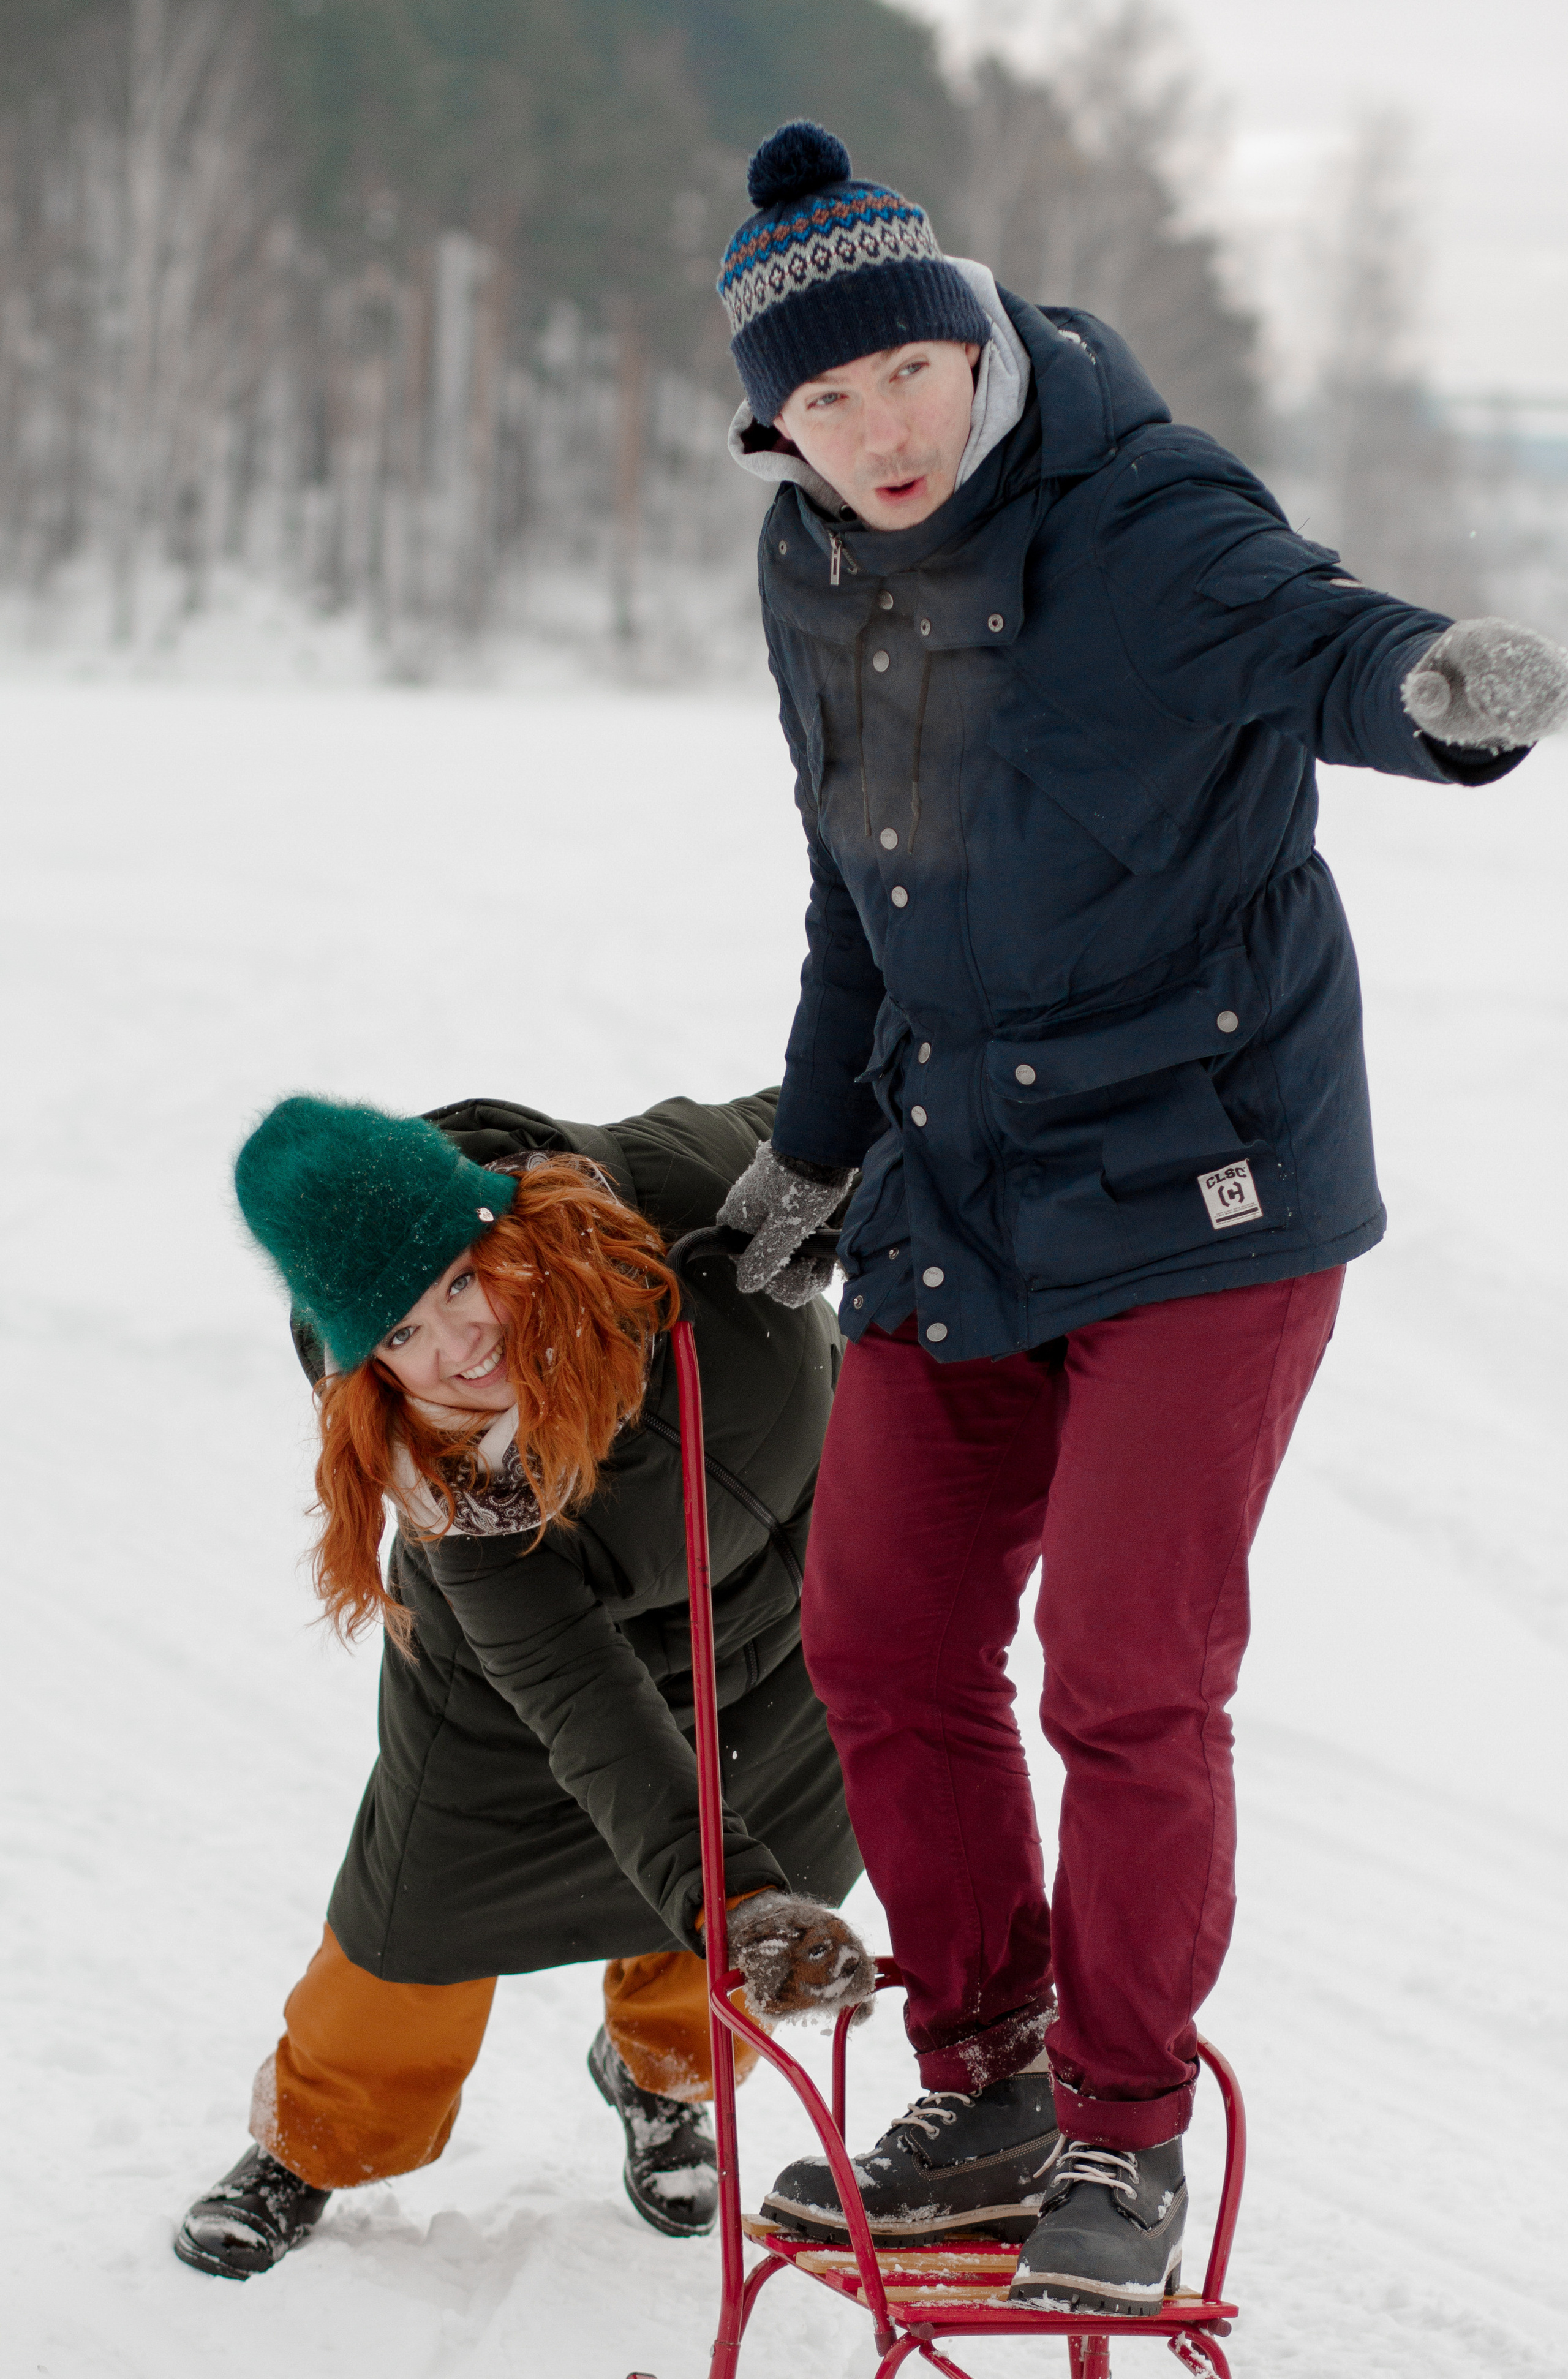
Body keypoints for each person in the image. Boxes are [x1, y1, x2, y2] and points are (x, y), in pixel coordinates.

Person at [709, 121, 1568, 2313]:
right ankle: (981, 2068)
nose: (878, 428)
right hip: (962, 1173)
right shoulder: (818, 570)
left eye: (903, 369)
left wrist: (1444, 697)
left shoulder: (1150, 514)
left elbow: (1325, 642)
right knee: (881, 1633)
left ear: (973, 337)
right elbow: (859, 884)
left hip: (1213, 1173)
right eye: (823, 402)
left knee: (1124, 1665)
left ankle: (1117, 2126)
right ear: (775, 430)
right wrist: (815, 1140)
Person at [175, 1087, 871, 2280]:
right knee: (416, 1925)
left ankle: (666, 2080)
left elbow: (882, 1089)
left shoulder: (690, 1192)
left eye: (455, 1280)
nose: (455, 1348)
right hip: (514, 1702)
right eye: (397, 1336)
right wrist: (731, 1902)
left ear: (502, 1220)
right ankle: (321, 2139)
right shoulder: (458, 1494)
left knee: (774, 1843)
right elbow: (585, 1702)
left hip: (785, 1615)